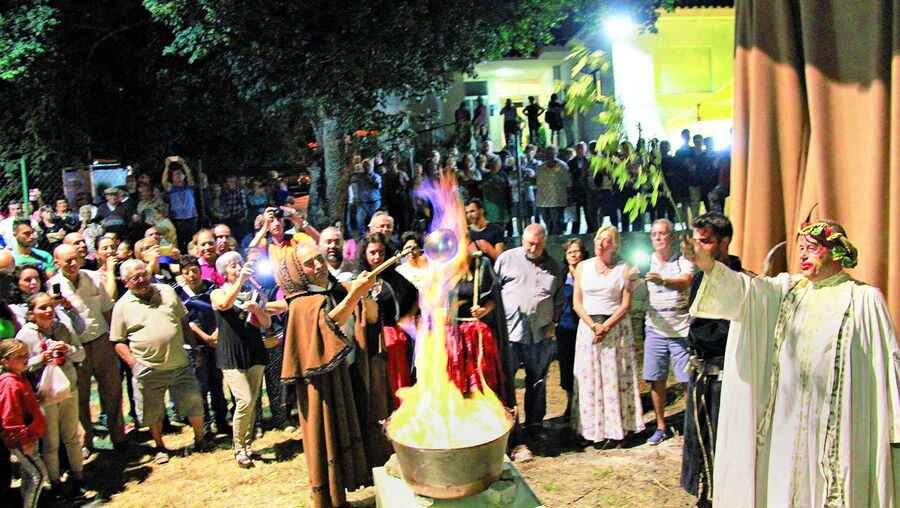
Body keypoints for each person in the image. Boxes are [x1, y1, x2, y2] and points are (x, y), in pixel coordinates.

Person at [685, 219, 900, 507]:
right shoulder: (787, 291)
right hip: (789, 421)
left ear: (836, 251)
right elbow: (746, 294)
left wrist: (893, 425)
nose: (803, 255)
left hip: (840, 421)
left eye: (812, 248)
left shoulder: (864, 299)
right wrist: (708, 265)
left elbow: (886, 362)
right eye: (801, 248)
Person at [278, 242, 391, 508]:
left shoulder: (338, 289)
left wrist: (364, 293)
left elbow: (372, 318)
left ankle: (350, 489)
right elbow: (329, 323)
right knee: (327, 435)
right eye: (309, 263)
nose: (318, 266)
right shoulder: (300, 303)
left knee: (357, 427)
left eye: (319, 259)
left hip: (349, 373)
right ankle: (330, 502)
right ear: (297, 271)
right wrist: (355, 295)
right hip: (323, 385)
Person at [110, 259, 213, 464]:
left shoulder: (167, 291)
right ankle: (159, 446)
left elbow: (183, 320)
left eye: (143, 274)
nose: (141, 280)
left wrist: (194, 348)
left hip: (179, 363)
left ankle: (200, 440)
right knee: (152, 411)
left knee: (194, 403)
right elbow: (118, 341)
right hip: (148, 367)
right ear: (125, 282)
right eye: (135, 278)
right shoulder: (121, 306)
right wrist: (134, 364)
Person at [679, 212, 741, 507]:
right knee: (698, 440)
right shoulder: (698, 279)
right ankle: (705, 495)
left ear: (724, 241)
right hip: (700, 375)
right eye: (697, 241)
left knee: (723, 442)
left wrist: (700, 335)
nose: (699, 247)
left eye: (706, 241)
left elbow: (724, 332)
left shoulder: (741, 281)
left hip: (725, 378)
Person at [48, 244, 126, 455]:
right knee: (80, 397)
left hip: (101, 340)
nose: (73, 264)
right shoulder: (52, 286)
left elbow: (107, 308)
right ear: (57, 263)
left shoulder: (92, 278)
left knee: (112, 390)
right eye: (67, 261)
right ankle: (86, 443)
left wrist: (116, 339)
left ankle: (119, 437)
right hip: (75, 346)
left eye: (76, 259)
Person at [571, 225, 644, 443]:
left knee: (613, 378)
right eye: (599, 239)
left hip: (615, 328)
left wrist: (606, 326)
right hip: (589, 327)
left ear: (615, 246)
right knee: (589, 379)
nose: (602, 243)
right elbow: (577, 301)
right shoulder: (583, 267)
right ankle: (592, 430)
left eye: (607, 240)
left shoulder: (623, 268)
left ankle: (615, 429)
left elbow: (625, 304)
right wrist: (593, 325)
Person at [494, 224, 565, 439]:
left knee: (538, 381)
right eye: (529, 243)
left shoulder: (553, 266)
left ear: (545, 242)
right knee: (505, 381)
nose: (533, 248)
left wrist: (553, 324)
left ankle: (534, 425)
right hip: (510, 334)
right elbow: (493, 293)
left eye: (538, 244)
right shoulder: (506, 259)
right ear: (522, 240)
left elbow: (558, 299)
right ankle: (507, 427)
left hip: (540, 334)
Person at [16, 293, 85, 501]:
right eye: (42, 308)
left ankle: (79, 476)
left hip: (68, 390)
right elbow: (20, 367)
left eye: (50, 307)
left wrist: (68, 349)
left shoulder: (62, 328)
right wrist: (39, 359)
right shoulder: (25, 336)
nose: (48, 311)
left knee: (72, 437)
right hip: (44, 396)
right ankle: (55, 483)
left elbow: (81, 354)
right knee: (51, 442)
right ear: (31, 314)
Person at [210, 252, 271, 468]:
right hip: (231, 354)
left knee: (252, 402)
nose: (237, 268)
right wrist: (241, 282)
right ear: (223, 272)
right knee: (243, 400)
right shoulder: (217, 293)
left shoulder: (253, 292)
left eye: (239, 264)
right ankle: (238, 448)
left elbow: (266, 323)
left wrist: (256, 309)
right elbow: (225, 304)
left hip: (254, 351)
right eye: (232, 266)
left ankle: (247, 446)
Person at [643, 219, 695, 445]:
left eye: (662, 234)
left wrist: (663, 280)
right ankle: (661, 426)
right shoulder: (648, 261)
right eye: (654, 234)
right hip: (655, 328)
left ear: (671, 237)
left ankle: (692, 425)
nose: (658, 238)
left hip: (681, 329)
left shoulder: (684, 260)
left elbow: (685, 282)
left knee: (686, 379)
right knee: (656, 379)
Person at [355, 233, 418, 406]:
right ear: (364, 254)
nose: (377, 257)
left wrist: (407, 317)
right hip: (370, 341)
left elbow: (415, 295)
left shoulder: (394, 277)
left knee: (398, 380)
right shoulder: (358, 279)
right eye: (372, 252)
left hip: (394, 338)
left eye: (381, 252)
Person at [175, 255, 228, 437]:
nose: (191, 275)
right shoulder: (179, 293)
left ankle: (222, 421)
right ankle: (204, 425)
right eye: (186, 272)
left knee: (217, 384)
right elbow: (186, 321)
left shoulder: (211, 288)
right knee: (200, 387)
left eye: (194, 270)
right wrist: (204, 337)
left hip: (215, 344)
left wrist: (216, 334)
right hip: (195, 348)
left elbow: (220, 310)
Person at [0, 338, 48, 508]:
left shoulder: (20, 378)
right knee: (39, 476)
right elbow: (10, 418)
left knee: (29, 476)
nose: (24, 359)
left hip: (30, 436)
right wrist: (24, 440)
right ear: (5, 361)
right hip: (21, 440)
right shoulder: (10, 384)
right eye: (18, 356)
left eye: (25, 355)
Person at [557, 238, 587, 420]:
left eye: (577, 251)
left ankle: (584, 405)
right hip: (565, 327)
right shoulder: (561, 274)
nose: (574, 255)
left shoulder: (590, 271)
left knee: (584, 367)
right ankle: (570, 404)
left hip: (585, 325)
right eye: (570, 252)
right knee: (567, 367)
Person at [534, 146, 571, 236]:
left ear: (556, 154)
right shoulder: (541, 167)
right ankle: (550, 240)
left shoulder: (562, 166)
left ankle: (558, 241)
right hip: (543, 201)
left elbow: (568, 183)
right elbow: (536, 181)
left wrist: (569, 198)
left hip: (557, 201)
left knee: (557, 224)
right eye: (548, 153)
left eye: (552, 153)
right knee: (548, 223)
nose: (550, 155)